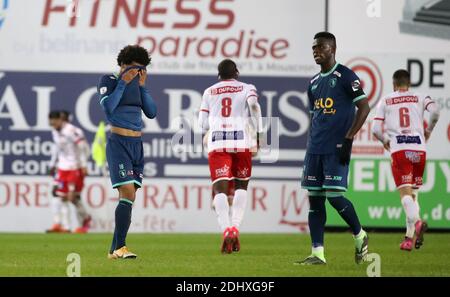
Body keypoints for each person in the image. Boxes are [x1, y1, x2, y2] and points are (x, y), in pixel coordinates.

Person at [296, 32, 371, 265]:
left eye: (320, 47)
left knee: (335, 197)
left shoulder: (345, 76)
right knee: (315, 199)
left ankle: (360, 235)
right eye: (313, 48)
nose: (315, 51)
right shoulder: (313, 83)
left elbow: (364, 107)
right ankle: (317, 253)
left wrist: (348, 139)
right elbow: (315, 117)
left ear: (332, 48)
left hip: (336, 147)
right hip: (315, 149)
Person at [97, 45, 156, 259]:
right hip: (119, 143)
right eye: (133, 68)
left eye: (141, 69)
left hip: (137, 145)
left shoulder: (138, 85)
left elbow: (151, 112)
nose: (137, 73)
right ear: (123, 65)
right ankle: (120, 247)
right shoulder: (109, 80)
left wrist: (142, 87)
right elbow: (108, 107)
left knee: (129, 197)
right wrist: (123, 82)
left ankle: (114, 250)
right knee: (128, 192)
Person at [198, 59, 263, 254]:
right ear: (236, 73)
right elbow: (254, 106)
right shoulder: (247, 87)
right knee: (241, 186)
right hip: (241, 142)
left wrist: (214, 126)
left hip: (217, 143)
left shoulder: (209, 91)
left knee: (220, 190)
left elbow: (202, 124)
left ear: (219, 75)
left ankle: (226, 230)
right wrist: (258, 133)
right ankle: (235, 227)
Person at [372, 69, 440, 251]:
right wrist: (429, 130)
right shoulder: (420, 96)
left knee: (405, 195)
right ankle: (409, 239)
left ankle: (417, 222)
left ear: (394, 85)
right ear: (409, 84)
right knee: (413, 195)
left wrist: (386, 141)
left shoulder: (386, 100)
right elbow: (435, 111)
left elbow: (375, 129)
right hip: (419, 150)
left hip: (400, 150)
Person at [47, 110, 91, 234]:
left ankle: (85, 220)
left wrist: (83, 165)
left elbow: (83, 147)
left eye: (54, 122)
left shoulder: (72, 131)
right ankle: (63, 226)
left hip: (74, 167)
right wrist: (52, 164)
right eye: (51, 123)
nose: (53, 125)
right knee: (58, 195)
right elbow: (57, 148)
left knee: (73, 197)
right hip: (62, 168)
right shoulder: (55, 131)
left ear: (60, 120)